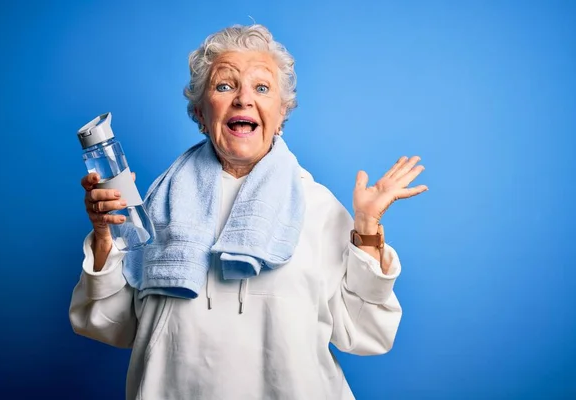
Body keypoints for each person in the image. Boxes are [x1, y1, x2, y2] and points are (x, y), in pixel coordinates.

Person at [69, 24, 428, 400]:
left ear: (281, 112)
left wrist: (368, 229)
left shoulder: (317, 207)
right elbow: (109, 325)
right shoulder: (158, 204)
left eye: (262, 88)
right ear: (200, 112)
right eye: (224, 86)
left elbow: (367, 333)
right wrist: (105, 237)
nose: (243, 99)